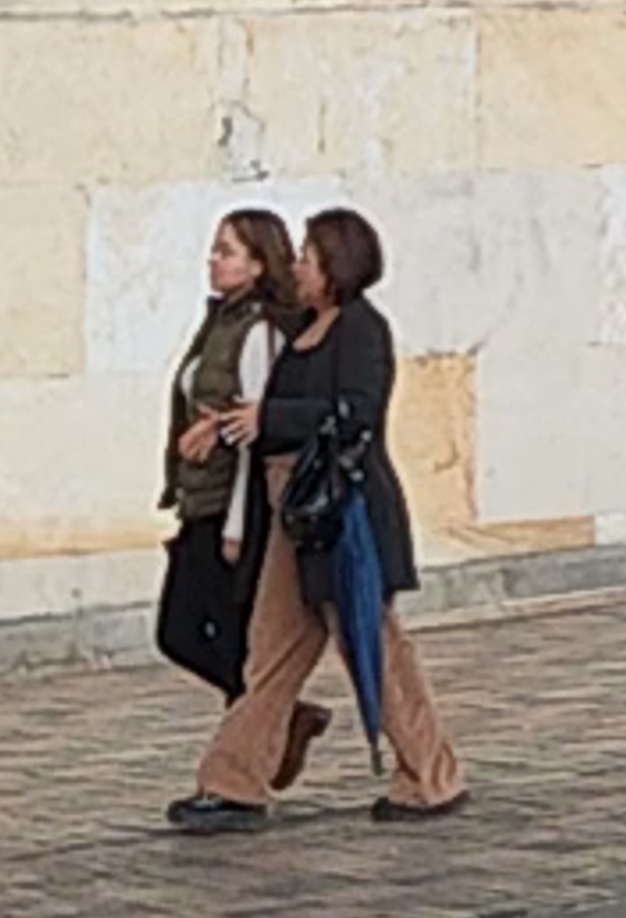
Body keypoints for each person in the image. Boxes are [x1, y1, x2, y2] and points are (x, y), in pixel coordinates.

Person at [168, 205, 467, 830]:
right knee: (271, 648)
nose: (298, 265)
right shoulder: (301, 324)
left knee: (372, 644)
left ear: (338, 265)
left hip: (340, 512)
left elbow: (355, 413)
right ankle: (235, 782)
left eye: (309, 255)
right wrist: (225, 426)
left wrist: (271, 420)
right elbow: (262, 401)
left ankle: (430, 776)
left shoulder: (361, 329)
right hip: (289, 513)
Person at [154, 205, 300, 725]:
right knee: (184, 632)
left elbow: (249, 434)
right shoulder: (219, 321)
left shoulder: (258, 332)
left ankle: (263, 732)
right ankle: (268, 729)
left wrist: (237, 526)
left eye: (227, 252)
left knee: (201, 631)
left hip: (226, 509)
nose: (213, 261)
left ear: (259, 264)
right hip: (198, 499)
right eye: (215, 249)